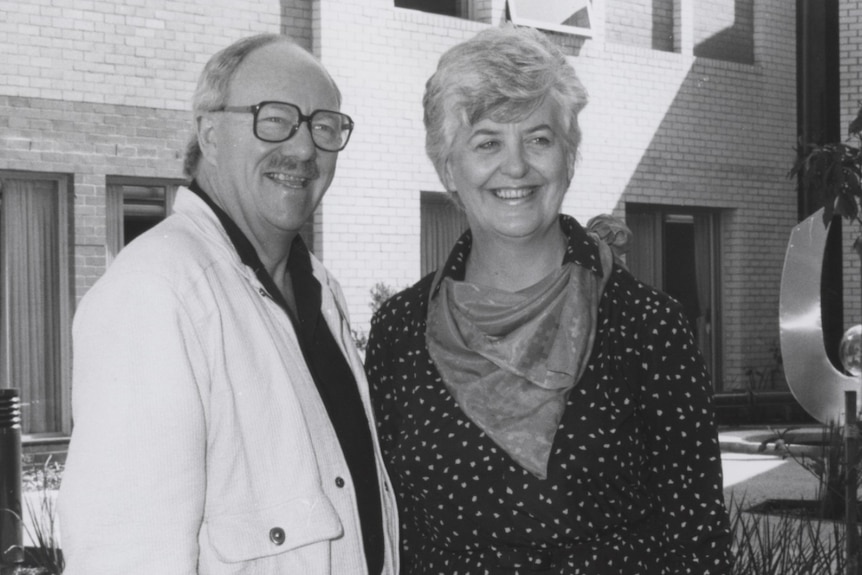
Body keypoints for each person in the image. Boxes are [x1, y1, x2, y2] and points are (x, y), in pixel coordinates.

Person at [366, 25, 731, 574]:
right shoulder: (399, 333)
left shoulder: (646, 326)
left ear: (569, 156)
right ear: (448, 168)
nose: (516, 167)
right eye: (487, 141)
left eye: (538, 138)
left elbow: (697, 542)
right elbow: (393, 531)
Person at [59, 33, 398, 574]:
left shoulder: (320, 290)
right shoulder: (156, 292)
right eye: (274, 118)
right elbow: (127, 559)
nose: (304, 149)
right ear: (211, 134)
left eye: (324, 126)